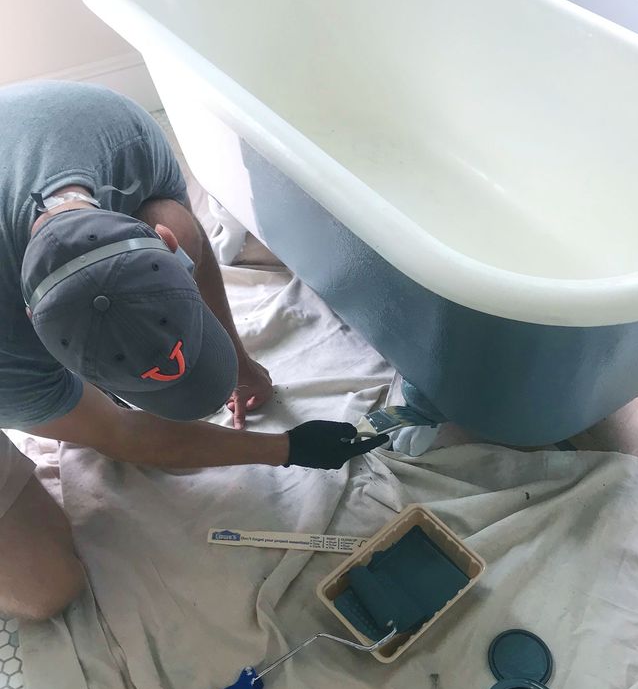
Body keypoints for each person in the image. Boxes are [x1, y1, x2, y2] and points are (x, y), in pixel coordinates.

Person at [0, 80, 386, 621]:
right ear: (34, 332)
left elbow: (187, 241)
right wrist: (288, 450)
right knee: (45, 590)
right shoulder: (10, 365)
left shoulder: (118, 134)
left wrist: (241, 364)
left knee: (172, 206)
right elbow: (122, 435)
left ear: (163, 243)